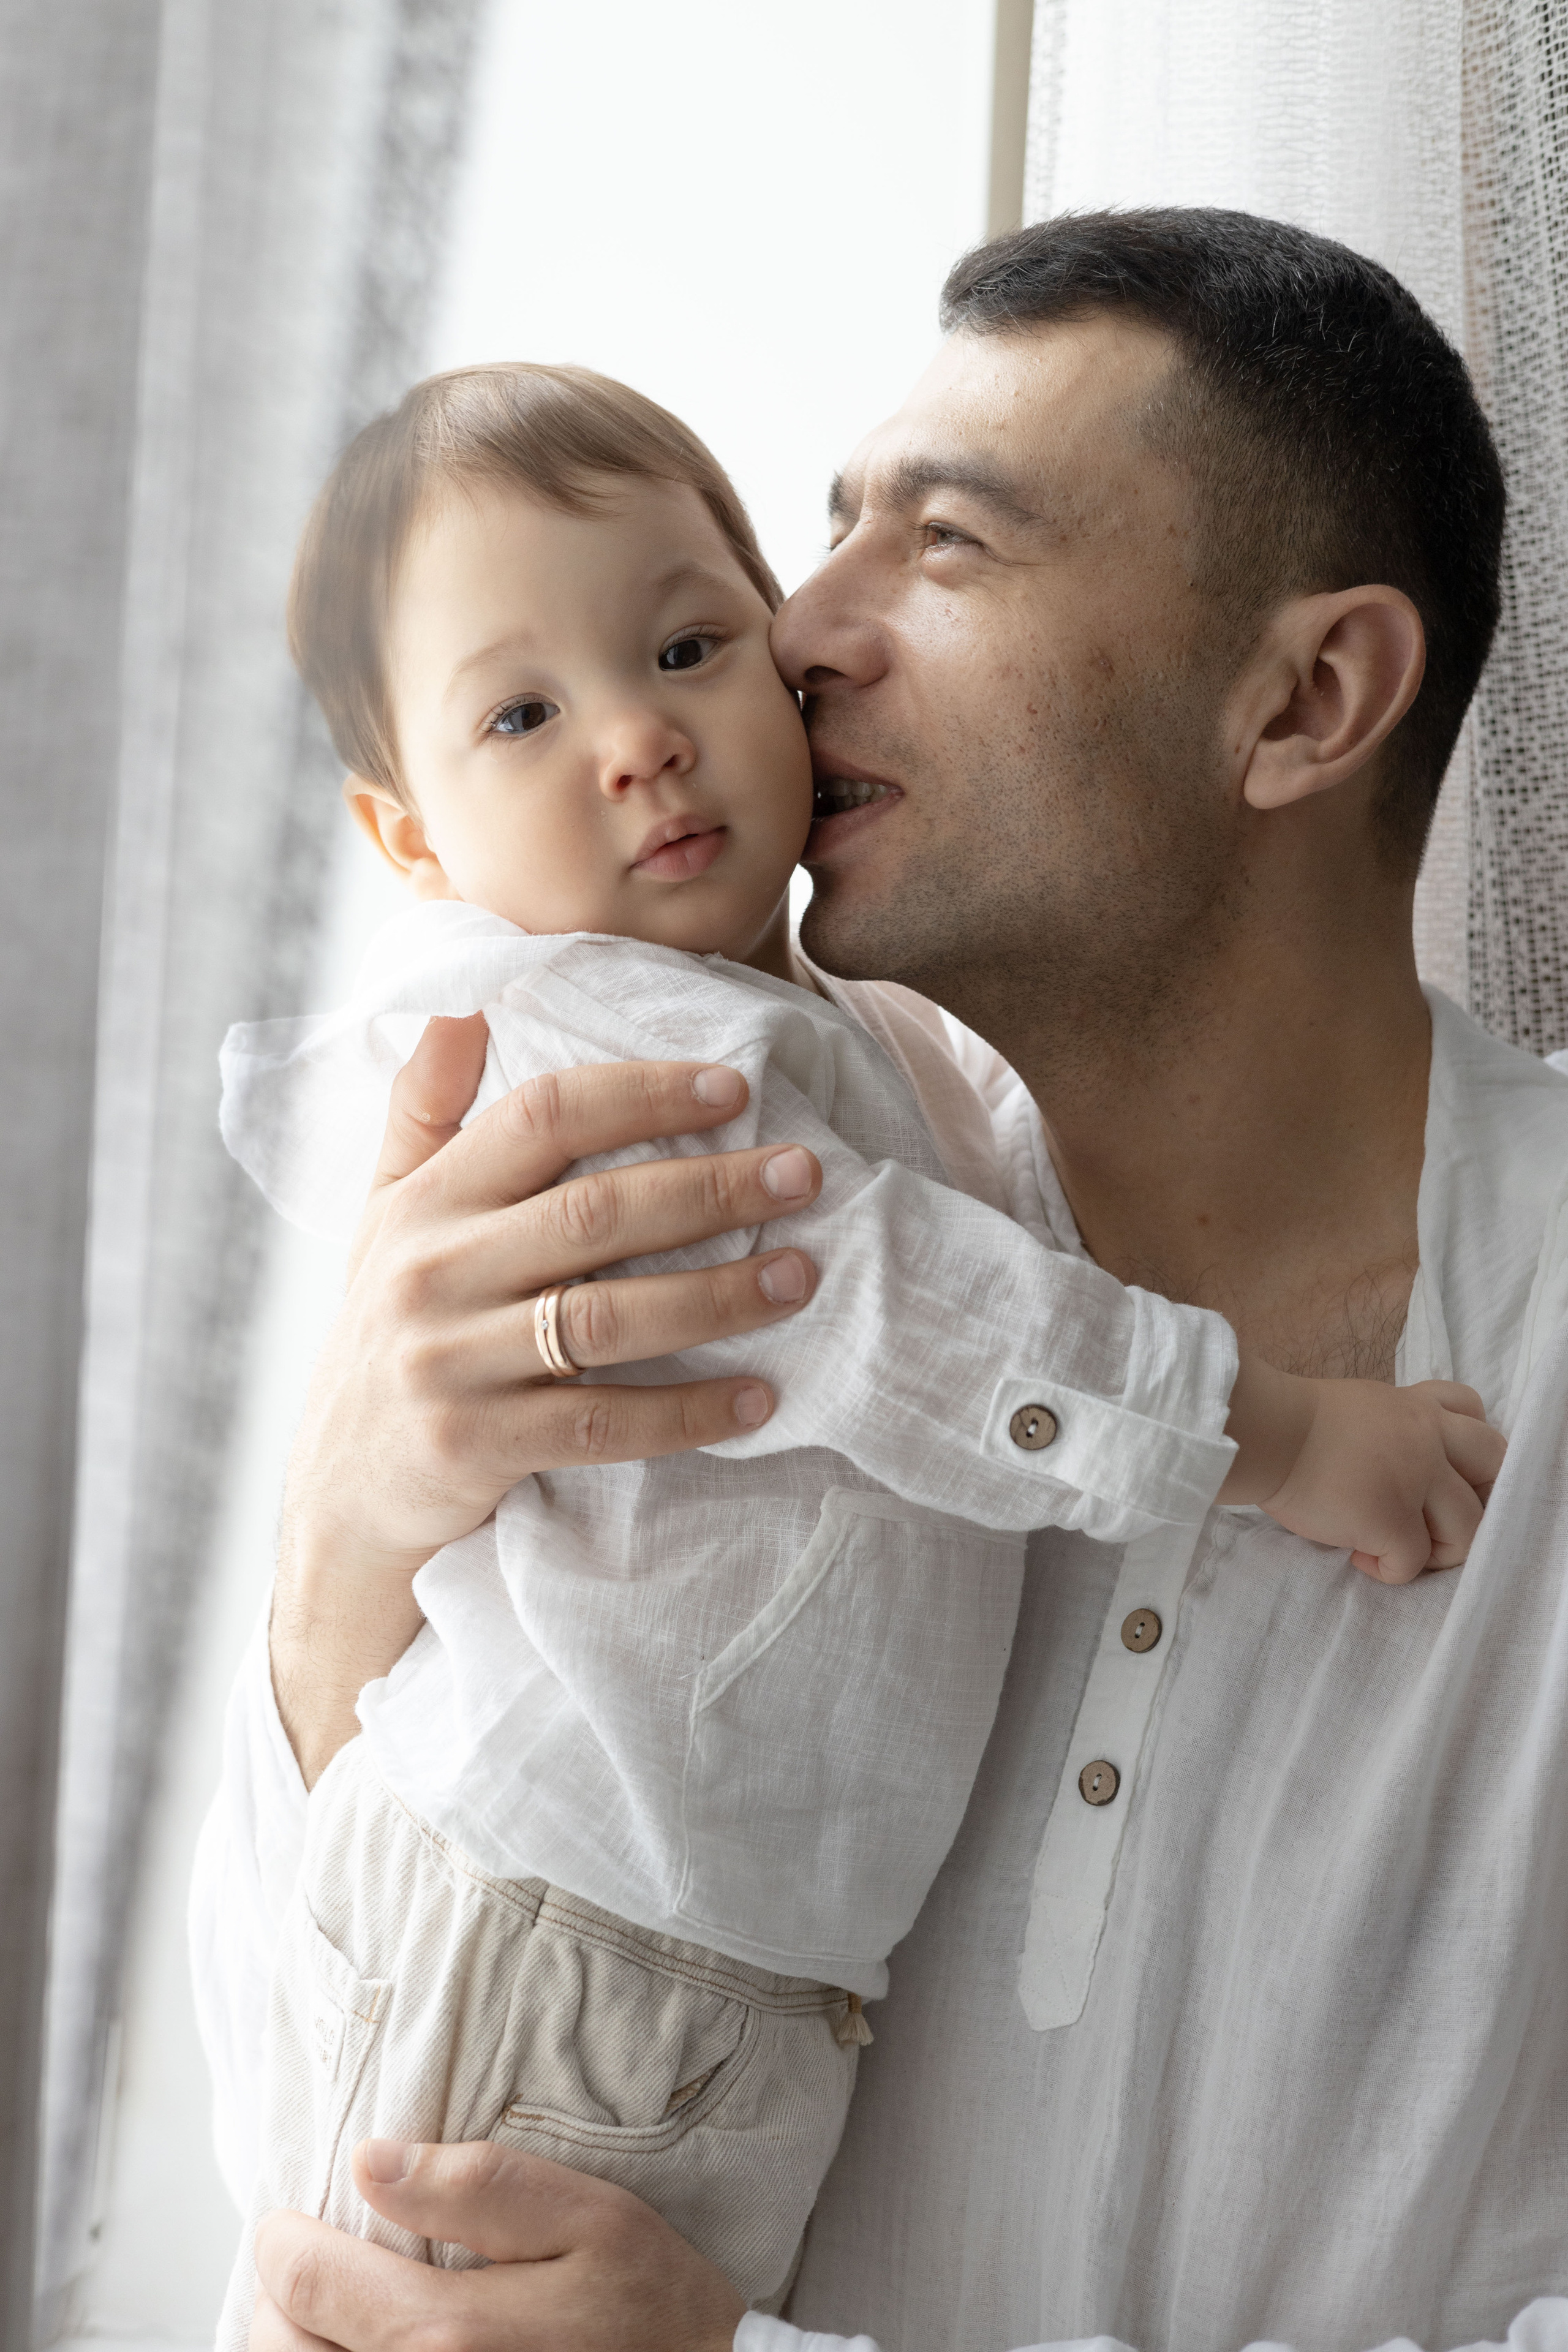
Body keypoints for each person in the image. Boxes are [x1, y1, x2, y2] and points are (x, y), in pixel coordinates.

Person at [200, 209, 1568, 2352]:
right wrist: (347, 1542)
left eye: (944, 545)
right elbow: (303, 2151)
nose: (794, 630)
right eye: (821, 531)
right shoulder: (681, 1181)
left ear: (1305, 698)